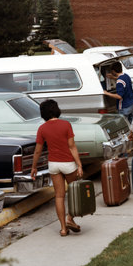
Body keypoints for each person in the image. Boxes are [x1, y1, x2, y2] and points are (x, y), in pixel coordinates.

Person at [31, 99, 83, 237]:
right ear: (56, 110)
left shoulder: (42, 129)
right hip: (68, 164)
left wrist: (34, 167)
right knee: (74, 193)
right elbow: (72, 146)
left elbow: (37, 151)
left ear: (43, 113)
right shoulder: (66, 125)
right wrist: (79, 164)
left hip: (53, 165)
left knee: (59, 196)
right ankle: (70, 219)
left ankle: (63, 229)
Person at [103, 61, 133, 152]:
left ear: (113, 71)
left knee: (123, 131)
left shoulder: (119, 82)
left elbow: (119, 96)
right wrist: (113, 78)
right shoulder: (126, 76)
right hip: (132, 105)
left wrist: (107, 93)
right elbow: (121, 80)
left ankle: (124, 152)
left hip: (124, 107)